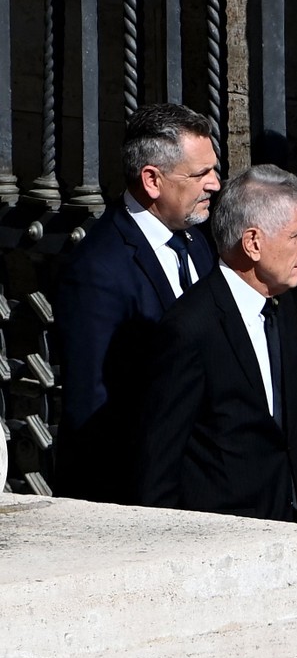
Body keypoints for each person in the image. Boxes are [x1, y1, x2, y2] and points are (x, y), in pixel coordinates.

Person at [136, 165, 297, 524]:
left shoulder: (282, 307)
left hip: (291, 531)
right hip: (222, 537)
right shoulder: (189, 329)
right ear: (253, 243)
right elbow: (159, 462)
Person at [55, 103, 220, 502]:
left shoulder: (196, 239)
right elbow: (91, 407)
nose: (215, 183)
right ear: (152, 180)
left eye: (214, 169)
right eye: (201, 174)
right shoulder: (99, 268)